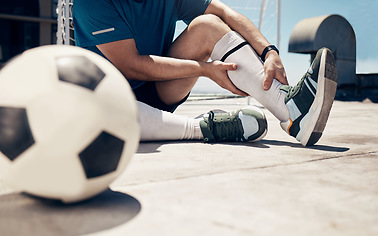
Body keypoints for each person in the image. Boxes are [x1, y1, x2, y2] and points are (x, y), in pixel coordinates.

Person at [73, 0, 337, 146]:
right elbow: (131, 64)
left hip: (157, 91)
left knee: (207, 25)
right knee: (111, 115)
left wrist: (268, 51)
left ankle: (291, 111)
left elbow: (221, 11)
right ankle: (208, 126)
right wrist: (204, 70)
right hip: (111, 100)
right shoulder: (91, 3)